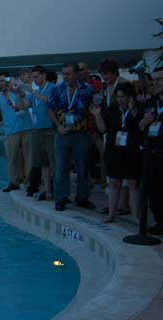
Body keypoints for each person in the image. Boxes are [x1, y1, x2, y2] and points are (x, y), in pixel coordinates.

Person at [47, 63, 95, 211]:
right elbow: (49, 108)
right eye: (64, 74)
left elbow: (93, 109)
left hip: (81, 134)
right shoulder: (58, 89)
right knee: (61, 167)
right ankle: (61, 198)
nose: (65, 77)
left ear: (76, 74)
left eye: (68, 74)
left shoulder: (87, 89)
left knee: (82, 167)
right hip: (63, 133)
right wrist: (58, 126)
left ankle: (82, 198)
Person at [91, 83, 141, 224]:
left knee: (133, 184)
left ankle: (136, 217)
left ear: (130, 97)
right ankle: (111, 214)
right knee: (113, 182)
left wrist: (133, 111)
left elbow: (140, 128)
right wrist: (97, 115)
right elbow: (103, 129)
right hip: (114, 150)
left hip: (132, 151)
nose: (120, 99)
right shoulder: (112, 110)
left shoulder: (137, 110)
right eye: (118, 97)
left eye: (123, 97)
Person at [0, 72, 32, 192]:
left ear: (9, 80)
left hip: (26, 128)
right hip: (11, 131)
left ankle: (30, 182)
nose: (1, 83)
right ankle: (14, 182)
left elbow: (26, 104)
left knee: (29, 157)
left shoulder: (17, 91)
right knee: (12, 158)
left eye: (3, 80)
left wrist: (18, 91)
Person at [23, 65, 56, 200]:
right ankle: (47, 191)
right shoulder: (35, 92)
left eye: (36, 77)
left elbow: (52, 102)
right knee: (43, 163)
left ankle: (56, 190)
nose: (34, 80)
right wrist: (19, 93)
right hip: (37, 130)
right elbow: (23, 105)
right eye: (33, 77)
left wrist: (34, 93)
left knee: (54, 162)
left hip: (50, 130)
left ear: (43, 75)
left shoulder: (51, 88)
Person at [139, 67, 163, 235]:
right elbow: (140, 127)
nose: (155, 83)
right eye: (154, 80)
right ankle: (159, 222)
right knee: (154, 190)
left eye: (159, 79)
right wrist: (145, 122)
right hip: (152, 153)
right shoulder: (151, 103)